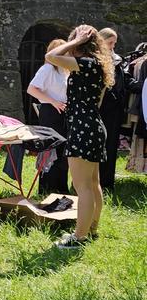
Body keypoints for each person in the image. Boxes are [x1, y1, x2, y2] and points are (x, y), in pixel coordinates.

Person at [46, 25, 114, 249]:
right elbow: (98, 102)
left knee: (82, 186)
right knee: (93, 184)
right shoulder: (97, 66)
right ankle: (91, 229)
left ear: (81, 44)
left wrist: (75, 41)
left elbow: (51, 56)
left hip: (83, 129)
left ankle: (79, 237)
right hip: (93, 126)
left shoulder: (84, 64)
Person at [27, 39, 70, 194]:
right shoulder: (47, 69)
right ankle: (47, 189)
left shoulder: (65, 70)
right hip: (50, 113)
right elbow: (31, 89)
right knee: (51, 150)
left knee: (63, 152)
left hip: (63, 113)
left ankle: (61, 188)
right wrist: (53, 102)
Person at [98, 27, 125, 190]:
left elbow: (122, 81)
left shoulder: (116, 60)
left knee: (111, 145)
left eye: (114, 43)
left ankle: (108, 182)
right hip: (103, 109)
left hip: (114, 110)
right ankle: (100, 182)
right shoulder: (96, 60)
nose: (113, 46)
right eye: (110, 43)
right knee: (102, 145)